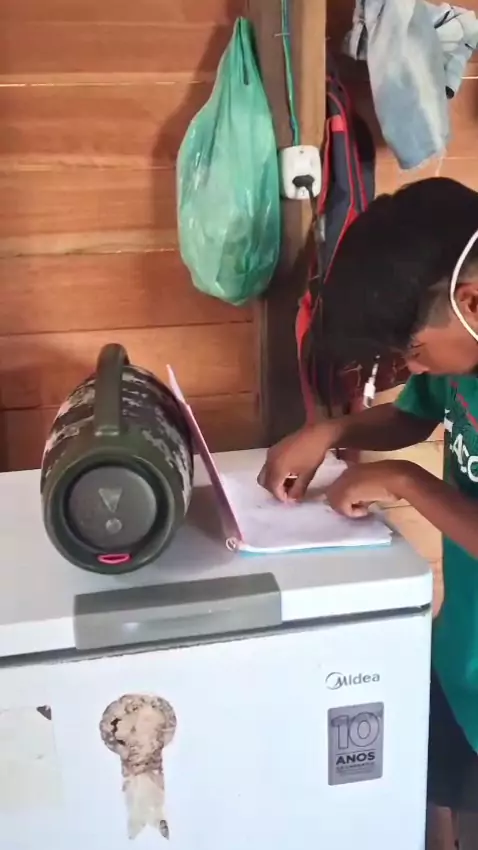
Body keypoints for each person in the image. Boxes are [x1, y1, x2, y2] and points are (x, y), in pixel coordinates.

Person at [258, 177, 478, 849]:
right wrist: (330, 432)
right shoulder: (461, 357)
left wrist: (404, 480)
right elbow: (414, 417)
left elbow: (410, 464)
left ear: (471, 302)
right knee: (438, 791)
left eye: (412, 350)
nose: (412, 367)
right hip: (461, 647)